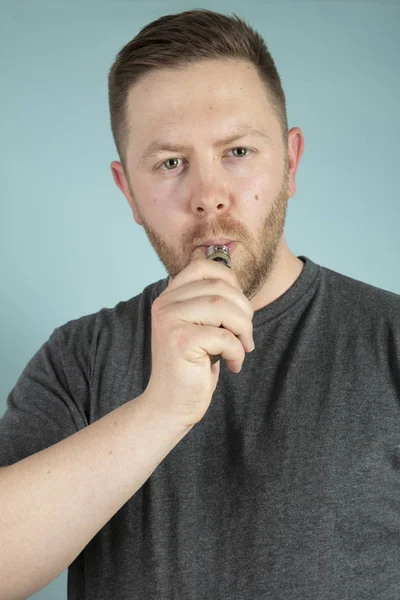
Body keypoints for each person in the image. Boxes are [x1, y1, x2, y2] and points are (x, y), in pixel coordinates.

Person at [1, 8, 399, 600]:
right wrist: (162, 410)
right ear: (128, 192)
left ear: (290, 163)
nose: (209, 197)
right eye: (170, 163)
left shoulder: (391, 339)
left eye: (237, 152)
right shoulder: (77, 358)